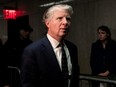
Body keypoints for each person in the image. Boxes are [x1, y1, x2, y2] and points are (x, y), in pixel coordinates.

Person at [21, 4, 80, 87]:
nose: (65, 22)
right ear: (47, 23)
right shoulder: (33, 51)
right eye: (60, 18)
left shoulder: (72, 48)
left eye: (68, 19)